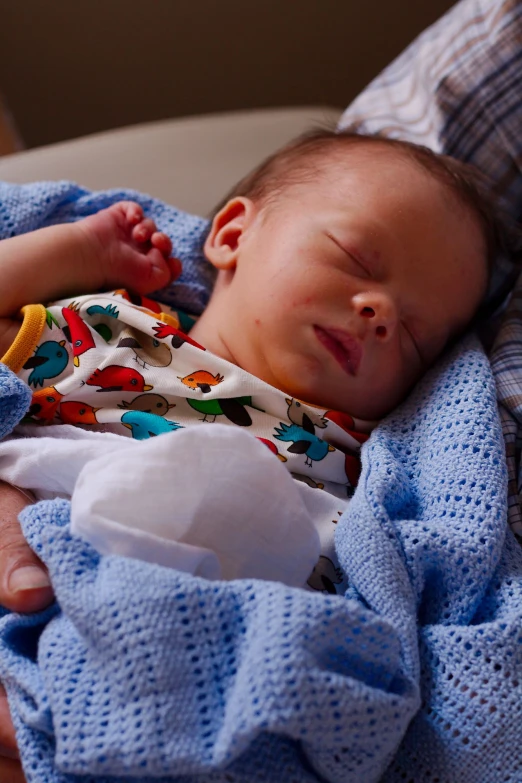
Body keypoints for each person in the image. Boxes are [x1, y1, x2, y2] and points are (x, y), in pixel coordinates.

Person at [0, 129, 504, 777]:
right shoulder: (113, 332)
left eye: (413, 335)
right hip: (42, 588)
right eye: (356, 259)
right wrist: (78, 248)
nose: (379, 312)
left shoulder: (362, 468)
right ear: (234, 235)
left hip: (182, 680)